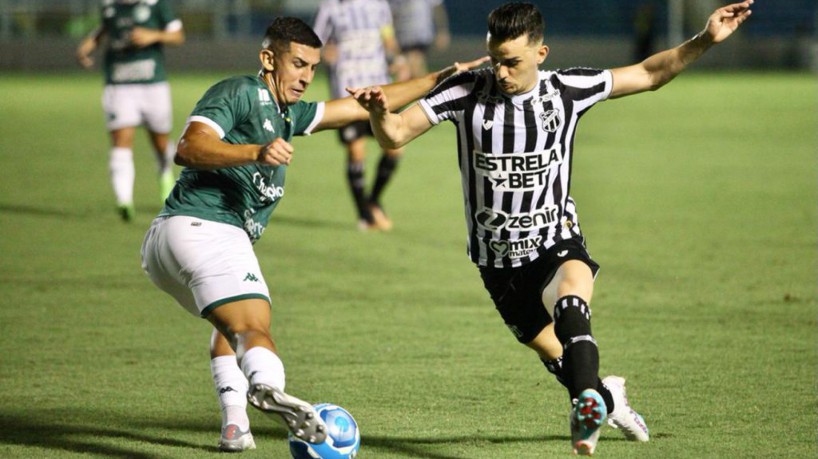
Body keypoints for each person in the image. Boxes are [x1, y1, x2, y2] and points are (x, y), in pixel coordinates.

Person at [348, 1, 753, 455]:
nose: (501, 72)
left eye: (513, 62)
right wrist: (380, 113)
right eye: (496, 59)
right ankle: (606, 396)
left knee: (571, 302)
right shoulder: (465, 91)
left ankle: (585, 408)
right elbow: (396, 134)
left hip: (554, 238)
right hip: (496, 261)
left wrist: (705, 39)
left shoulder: (568, 89)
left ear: (541, 53)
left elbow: (648, 73)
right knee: (557, 354)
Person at [139, 16, 485, 452]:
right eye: (297, 64)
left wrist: (442, 77)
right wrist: (256, 152)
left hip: (165, 248)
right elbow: (187, 148)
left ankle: (235, 426)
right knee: (254, 327)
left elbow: (361, 106)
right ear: (268, 58)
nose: (305, 77)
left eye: (312, 68)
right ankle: (270, 389)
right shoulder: (242, 92)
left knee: (232, 326)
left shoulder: (288, 114)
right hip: (207, 227)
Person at [76, 0, 185, 222]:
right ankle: (124, 200)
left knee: (161, 143)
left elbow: (178, 36)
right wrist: (89, 45)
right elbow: (104, 28)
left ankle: (165, 174)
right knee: (120, 140)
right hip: (119, 85)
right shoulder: (109, 5)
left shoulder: (156, 4)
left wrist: (153, 35)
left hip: (152, 85)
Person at [312, 0, 409, 231]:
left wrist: (398, 60)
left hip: (379, 89)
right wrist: (325, 52)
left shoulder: (379, 5)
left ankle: (373, 199)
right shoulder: (330, 8)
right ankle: (364, 215)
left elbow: (388, 39)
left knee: (395, 148)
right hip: (348, 92)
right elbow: (314, 43)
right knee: (356, 151)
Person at [388, 0, 451, 78]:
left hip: (420, 34)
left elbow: (437, 8)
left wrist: (442, 31)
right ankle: (425, 87)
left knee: (414, 65)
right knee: (409, 69)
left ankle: (426, 87)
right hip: (402, 35)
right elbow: (390, 13)